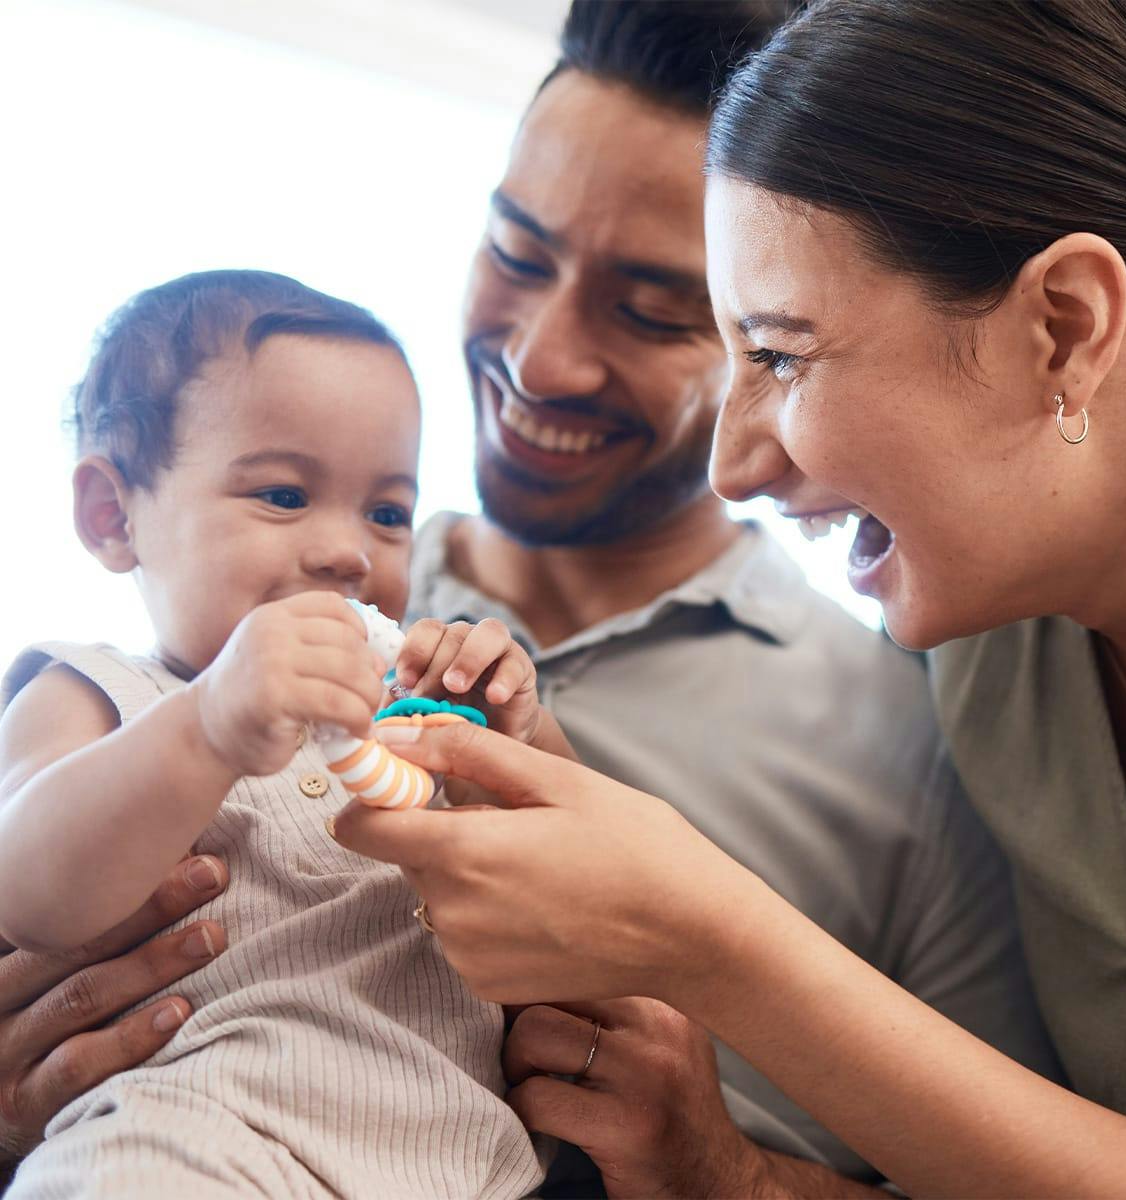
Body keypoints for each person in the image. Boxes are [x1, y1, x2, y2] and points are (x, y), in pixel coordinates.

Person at [0, 6, 1055, 1197]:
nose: (542, 361)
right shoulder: (211, 629)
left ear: (769, 343)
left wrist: (720, 1167)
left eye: (655, 310)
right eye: (515, 253)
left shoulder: (908, 734)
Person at [332, 0, 1126, 1195]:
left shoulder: (911, 735)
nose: (734, 468)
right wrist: (719, 1165)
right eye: (518, 252)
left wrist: (710, 943)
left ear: (1064, 328)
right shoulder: (993, 656)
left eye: (782, 354)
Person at [0, 269, 568, 1197]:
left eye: (388, 512)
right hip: (196, 1138)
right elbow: (28, 889)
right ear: (114, 516)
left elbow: (581, 865)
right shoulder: (102, 695)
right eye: (282, 495)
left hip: (463, 1165)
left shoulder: (409, 714)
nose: (351, 551)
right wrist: (207, 724)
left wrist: (520, 736)